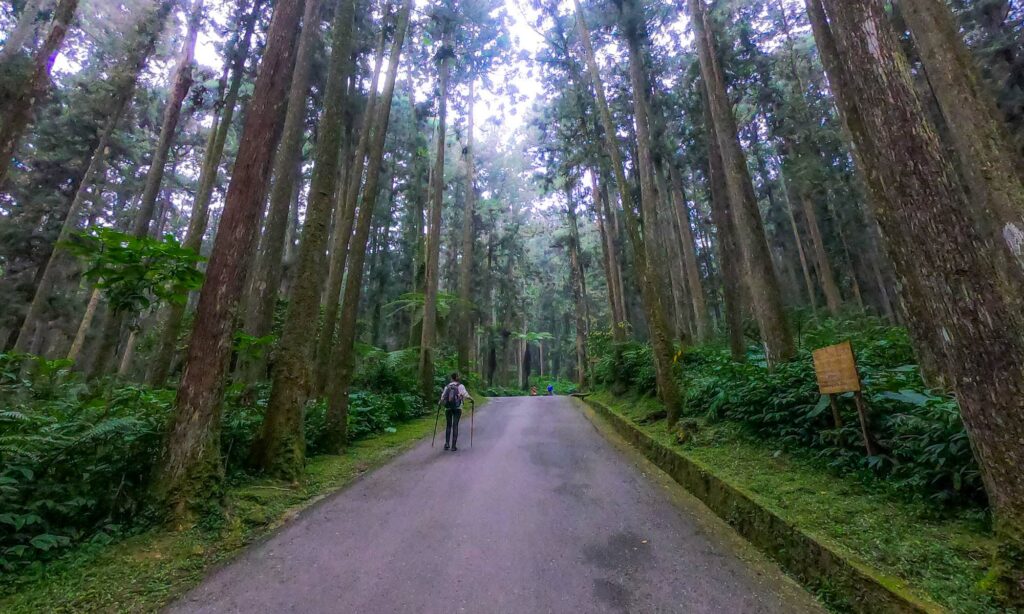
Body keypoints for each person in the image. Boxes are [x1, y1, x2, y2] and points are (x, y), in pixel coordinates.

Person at [439, 372, 471, 451]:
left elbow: (443, 397)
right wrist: (471, 399)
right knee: (455, 425)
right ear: (457, 377)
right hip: (457, 408)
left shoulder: (447, 387)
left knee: (448, 425)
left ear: (451, 378)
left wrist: (440, 402)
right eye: (458, 376)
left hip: (448, 408)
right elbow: (465, 394)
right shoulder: (460, 386)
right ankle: (453, 446)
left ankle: (447, 444)